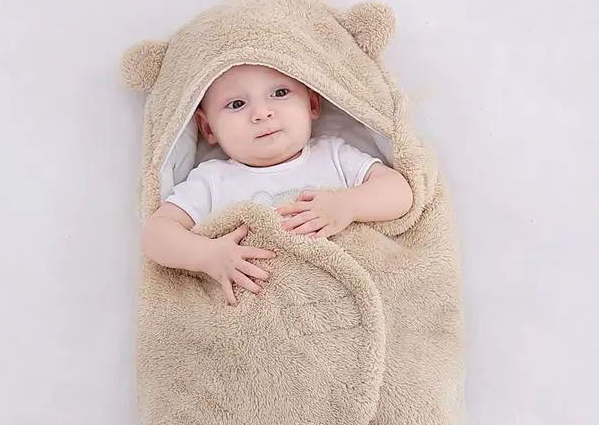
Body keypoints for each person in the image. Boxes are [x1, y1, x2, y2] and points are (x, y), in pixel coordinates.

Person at [140, 64, 413, 305]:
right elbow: (155, 234)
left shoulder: (333, 156)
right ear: (208, 128)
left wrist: (348, 205)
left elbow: (400, 192)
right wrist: (207, 255)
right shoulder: (212, 179)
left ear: (312, 104)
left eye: (280, 93)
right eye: (236, 104)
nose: (261, 113)